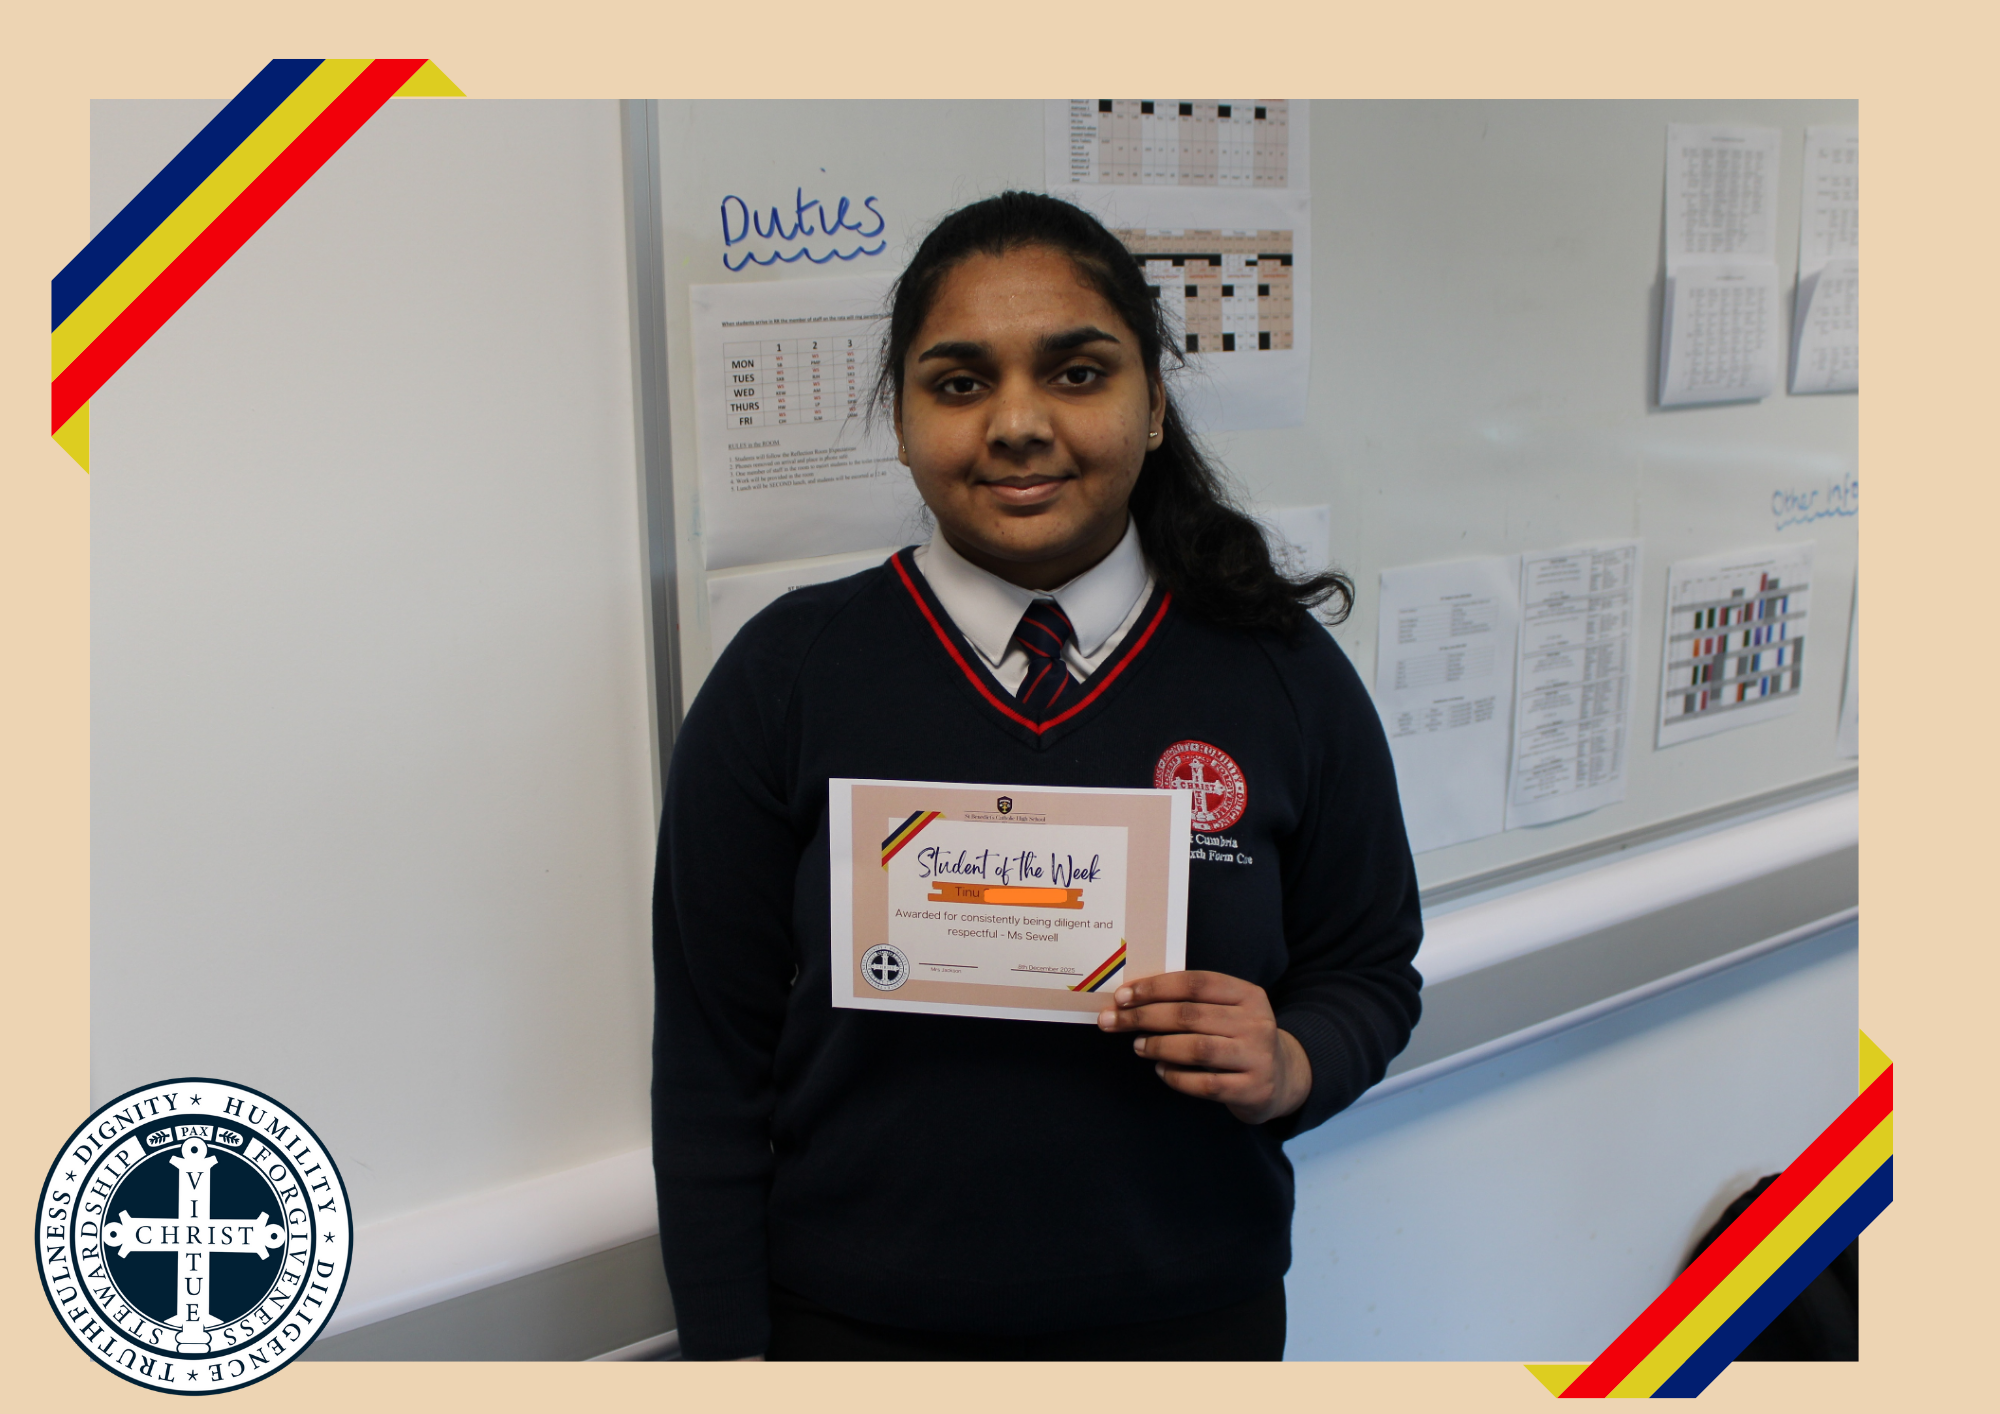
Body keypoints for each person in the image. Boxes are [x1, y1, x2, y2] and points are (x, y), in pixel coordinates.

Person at [652, 191, 1423, 1361]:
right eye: (960, 382)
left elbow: (1367, 970)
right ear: (901, 421)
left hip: (1188, 1325)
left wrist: (1292, 1061)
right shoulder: (786, 677)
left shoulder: (1278, 674)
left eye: (1075, 373)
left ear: (1151, 406)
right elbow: (710, 1062)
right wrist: (726, 1364)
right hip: (854, 1333)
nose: (1015, 423)